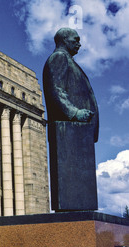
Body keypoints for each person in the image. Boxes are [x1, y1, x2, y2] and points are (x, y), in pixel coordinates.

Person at [43, 28, 99, 212]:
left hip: (79, 130)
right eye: (76, 39)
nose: (79, 43)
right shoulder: (58, 58)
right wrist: (75, 113)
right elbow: (56, 90)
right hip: (69, 127)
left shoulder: (69, 61)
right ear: (64, 40)